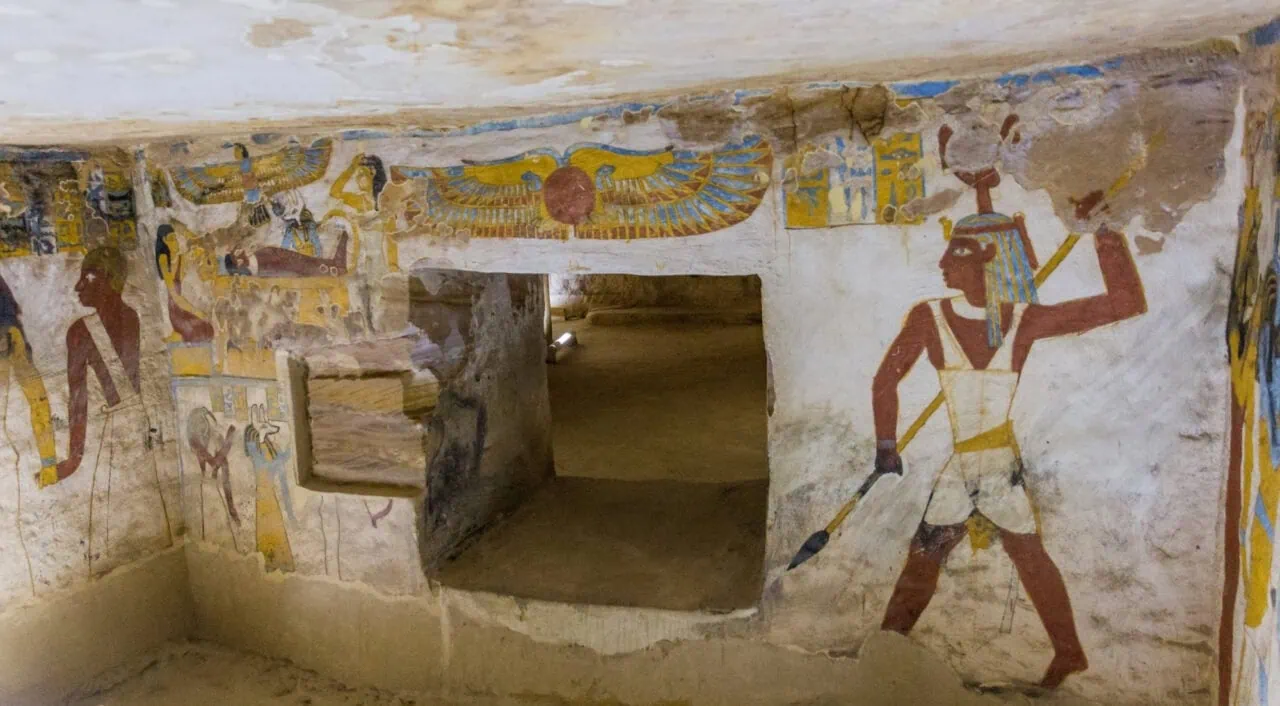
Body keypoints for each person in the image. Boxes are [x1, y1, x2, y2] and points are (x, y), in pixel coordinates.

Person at [871, 204, 1146, 689]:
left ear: (987, 262)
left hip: (995, 465)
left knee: (967, 554)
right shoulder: (930, 316)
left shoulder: (1022, 320)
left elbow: (1124, 302)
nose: (941, 264)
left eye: (954, 254)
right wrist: (886, 443)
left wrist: (1104, 231)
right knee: (937, 554)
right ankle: (889, 643)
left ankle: (890, 643)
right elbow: (884, 383)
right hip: (971, 464)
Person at [40, 247, 172, 571]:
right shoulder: (132, 316)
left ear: (111, 280)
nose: (77, 287)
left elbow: (78, 400)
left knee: (110, 534)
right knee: (144, 517)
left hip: (112, 433)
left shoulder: (81, 331)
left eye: (88, 276)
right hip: (135, 423)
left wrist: (73, 460)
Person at [0, 274, 58, 481]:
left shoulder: (14, 344)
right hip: (11, 331)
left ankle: (48, 462)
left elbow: (39, 405)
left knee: (36, 396)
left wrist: (49, 464)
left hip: (11, 333)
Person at [155, 224, 214, 343]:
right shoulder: (163, 259)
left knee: (208, 331)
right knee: (198, 333)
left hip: (184, 306)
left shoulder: (181, 258)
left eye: (175, 238)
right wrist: (197, 312)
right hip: (174, 308)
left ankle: (180, 334)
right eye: (171, 239)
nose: (175, 242)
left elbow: (194, 264)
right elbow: (175, 297)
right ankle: (177, 333)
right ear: (164, 242)